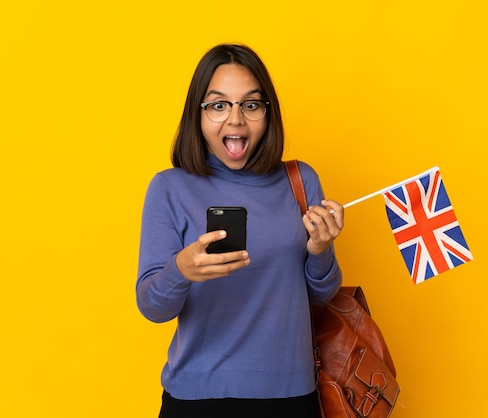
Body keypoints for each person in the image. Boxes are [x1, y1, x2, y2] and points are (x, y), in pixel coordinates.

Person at [136, 43, 345, 418]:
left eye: (250, 104)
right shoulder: (169, 188)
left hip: (290, 396)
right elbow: (151, 306)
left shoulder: (299, 181)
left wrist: (321, 249)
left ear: (267, 112)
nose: (235, 119)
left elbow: (321, 295)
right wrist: (181, 270)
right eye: (218, 105)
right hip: (196, 399)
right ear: (197, 115)